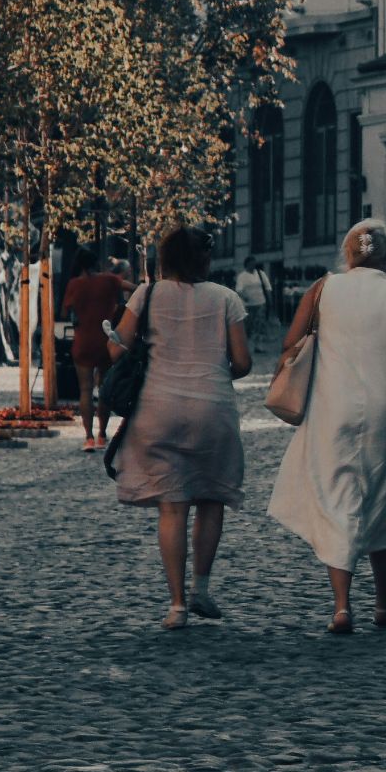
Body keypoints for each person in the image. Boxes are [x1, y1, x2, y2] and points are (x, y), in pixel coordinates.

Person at [269, 220, 386, 634]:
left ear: (348, 255)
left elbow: (290, 340)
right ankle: (383, 603)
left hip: (332, 407)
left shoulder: (323, 288)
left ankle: (342, 607)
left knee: (336, 497)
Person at [109, 227, 254, 630]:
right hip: (213, 411)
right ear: (205, 259)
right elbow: (242, 363)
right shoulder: (227, 299)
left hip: (158, 410)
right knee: (210, 500)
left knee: (172, 508)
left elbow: (116, 349)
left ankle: (176, 605)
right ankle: (202, 588)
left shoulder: (146, 294)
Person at [60, 248, 133, 451]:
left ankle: (88, 437)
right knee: (104, 390)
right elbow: (135, 288)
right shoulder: (110, 280)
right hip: (106, 341)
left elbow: (65, 311)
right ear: (96, 263)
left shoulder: (74, 284)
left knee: (85, 389)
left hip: (83, 341)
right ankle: (102, 434)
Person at [234, 256, 274, 349]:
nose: (253, 265)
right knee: (248, 326)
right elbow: (239, 290)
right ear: (247, 264)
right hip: (248, 306)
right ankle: (244, 346)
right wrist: (245, 297)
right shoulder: (242, 276)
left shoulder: (261, 274)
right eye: (251, 263)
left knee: (259, 325)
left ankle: (258, 346)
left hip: (260, 303)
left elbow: (267, 287)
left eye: (254, 263)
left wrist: (270, 299)